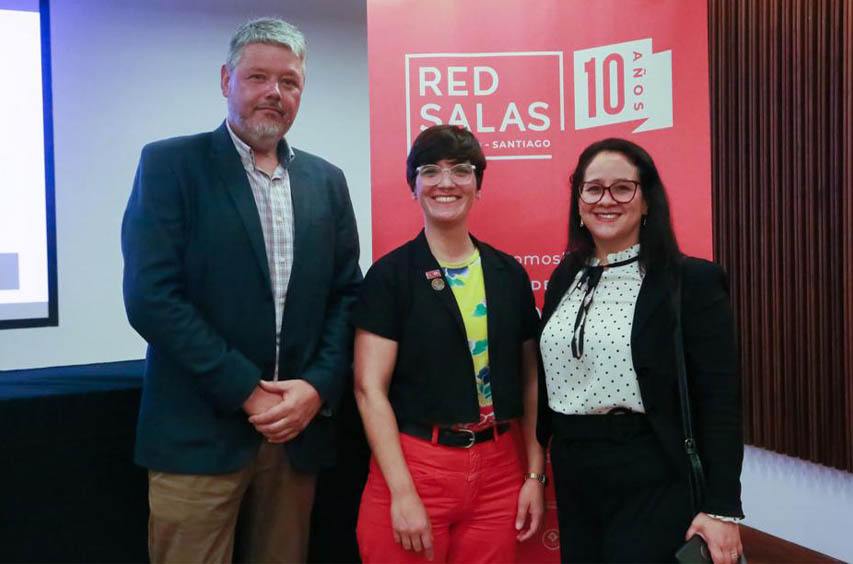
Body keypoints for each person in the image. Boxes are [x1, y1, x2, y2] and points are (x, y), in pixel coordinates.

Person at [121, 17, 362, 563]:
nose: (273, 93)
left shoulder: (327, 182)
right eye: (258, 77)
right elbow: (152, 298)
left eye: (289, 82)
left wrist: (317, 389)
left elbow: (347, 296)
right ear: (227, 79)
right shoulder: (170, 165)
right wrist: (249, 392)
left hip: (295, 436)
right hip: (198, 434)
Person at [536, 138, 744, 563]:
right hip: (575, 472)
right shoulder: (566, 277)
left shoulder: (691, 281)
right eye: (593, 188)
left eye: (622, 188)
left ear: (646, 200)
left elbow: (720, 402)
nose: (605, 200)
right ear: (578, 201)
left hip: (651, 469)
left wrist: (723, 508)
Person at [352, 125, 545, 563]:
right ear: (413, 186)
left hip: (499, 471)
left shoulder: (507, 274)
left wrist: (534, 472)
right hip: (414, 466)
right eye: (430, 171)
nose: (446, 182)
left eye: (461, 170)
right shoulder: (390, 276)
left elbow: (532, 379)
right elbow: (369, 390)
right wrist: (402, 494)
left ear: (478, 185)